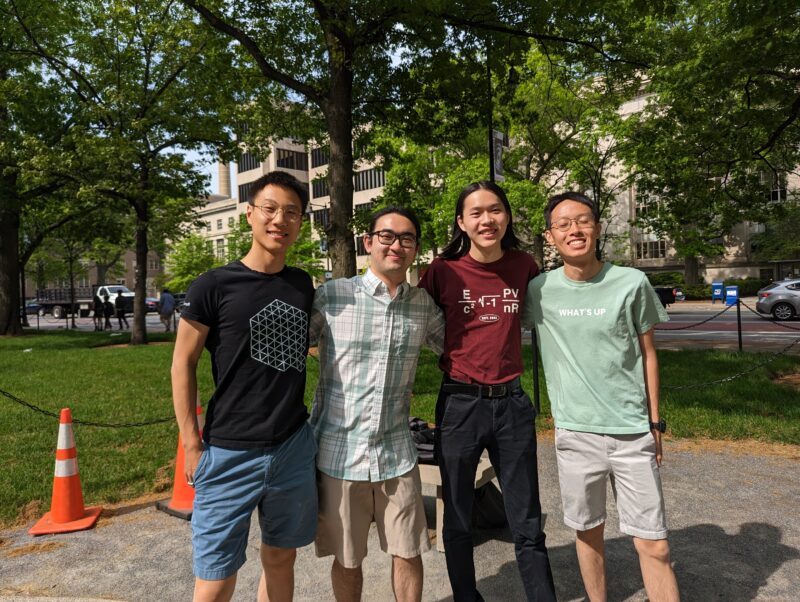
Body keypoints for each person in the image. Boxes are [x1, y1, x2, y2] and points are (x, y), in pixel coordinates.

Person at [522, 191, 680, 602]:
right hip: (576, 434)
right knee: (588, 532)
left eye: (583, 221)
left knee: (655, 543)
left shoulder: (631, 282)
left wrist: (655, 421)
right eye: (563, 224)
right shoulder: (539, 291)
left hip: (632, 431)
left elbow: (648, 354)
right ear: (550, 236)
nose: (574, 230)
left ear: (596, 227)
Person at [170, 171, 317, 602]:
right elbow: (183, 363)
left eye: (292, 212)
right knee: (215, 576)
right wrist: (191, 443)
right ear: (249, 215)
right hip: (228, 449)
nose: (280, 220)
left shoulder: (302, 284)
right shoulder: (214, 284)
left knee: (280, 559)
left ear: (301, 222)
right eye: (270, 209)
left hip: (291, 445)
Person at [418, 181, 556, 602]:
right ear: (461, 222)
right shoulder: (443, 270)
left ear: (507, 216)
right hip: (459, 403)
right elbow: (417, 323)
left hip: (512, 404)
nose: (486, 220)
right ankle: (466, 597)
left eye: (494, 210)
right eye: (475, 213)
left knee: (527, 519)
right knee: (457, 518)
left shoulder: (523, 266)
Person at [307, 207, 445, 602]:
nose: (396, 245)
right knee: (348, 558)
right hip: (338, 454)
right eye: (386, 236)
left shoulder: (422, 306)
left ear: (415, 249)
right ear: (368, 242)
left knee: (409, 550)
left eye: (406, 239)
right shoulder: (333, 296)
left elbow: (460, 349)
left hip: (396, 452)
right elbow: (289, 348)